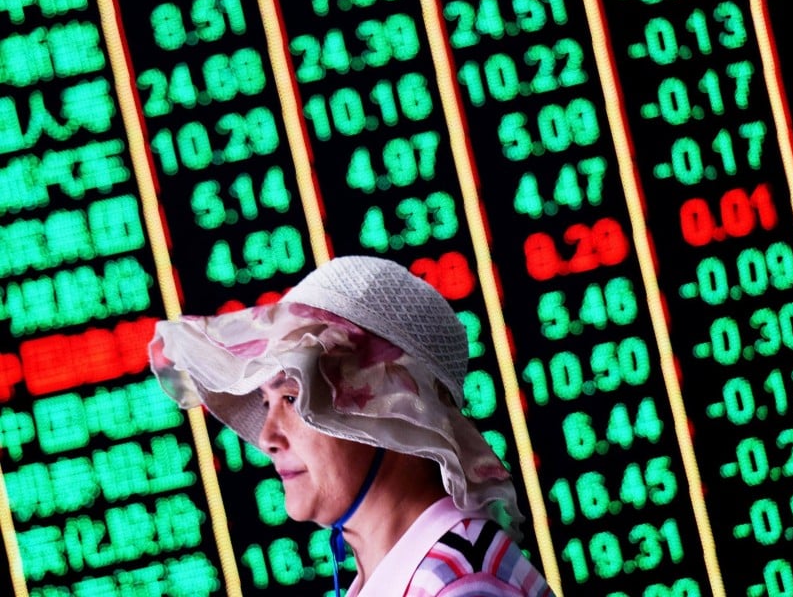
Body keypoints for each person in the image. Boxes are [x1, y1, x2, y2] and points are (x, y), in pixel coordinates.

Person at [148, 255, 556, 596]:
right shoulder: (417, 571)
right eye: (266, 402)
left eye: (292, 398)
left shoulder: (459, 585)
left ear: (394, 410)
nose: (267, 438)